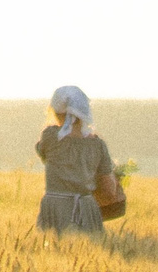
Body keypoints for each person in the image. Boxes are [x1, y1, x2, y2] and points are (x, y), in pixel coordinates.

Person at [35, 85, 115, 234]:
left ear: (56, 111)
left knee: (52, 249)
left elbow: (42, 152)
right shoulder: (98, 145)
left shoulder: (50, 136)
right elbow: (110, 190)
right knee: (91, 251)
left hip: (55, 209)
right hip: (86, 209)